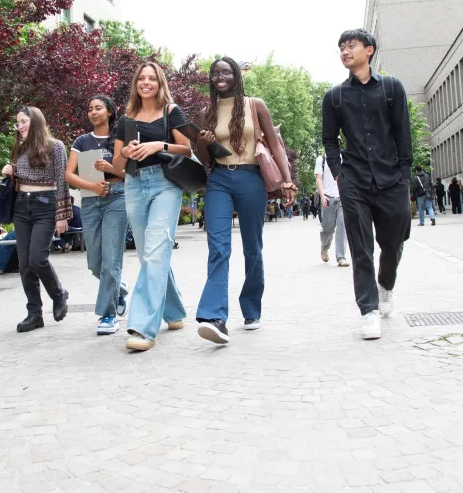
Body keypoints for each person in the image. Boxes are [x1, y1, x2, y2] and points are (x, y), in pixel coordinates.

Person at [193, 57, 296, 345]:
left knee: (253, 248)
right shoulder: (206, 112)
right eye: (215, 73)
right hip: (219, 181)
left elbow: (274, 144)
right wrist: (203, 141)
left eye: (226, 72)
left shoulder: (255, 105)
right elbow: (205, 160)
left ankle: (251, 308)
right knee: (218, 247)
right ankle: (214, 317)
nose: (220, 76)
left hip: (251, 178)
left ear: (236, 76)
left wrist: (288, 180)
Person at [322, 28, 412, 341]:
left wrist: (404, 174)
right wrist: (339, 174)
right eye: (341, 48)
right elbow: (329, 141)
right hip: (355, 182)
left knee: (393, 244)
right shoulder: (334, 97)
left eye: (351, 46)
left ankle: (386, 285)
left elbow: (403, 134)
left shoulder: (391, 88)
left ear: (369, 50)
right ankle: (368, 310)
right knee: (361, 250)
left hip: (391, 180)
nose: (345, 51)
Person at [112, 62, 192, 352]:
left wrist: (159, 145)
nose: (146, 82)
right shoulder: (126, 118)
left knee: (156, 252)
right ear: (136, 83)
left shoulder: (171, 111)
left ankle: (143, 327)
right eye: (142, 78)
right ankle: (174, 312)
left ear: (160, 83)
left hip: (165, 184)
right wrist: (124, 151)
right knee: (150, 256)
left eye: (152, 78)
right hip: (134, 184)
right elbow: (117, 165)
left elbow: (188, 148)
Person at [0, 106, 71, 333]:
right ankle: (34, 314)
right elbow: (20, 178)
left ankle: (58, 294)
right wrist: (9, 171)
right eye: (17, 122)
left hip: (45, 205)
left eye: (23, 121)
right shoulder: (20, 149)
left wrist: (62, 215)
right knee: (24, 264)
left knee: (37, 258)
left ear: (36, 121)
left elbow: (62, 180)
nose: (19, 126)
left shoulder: (56, 146)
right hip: (22, 205)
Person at [65, 94, 130, 335]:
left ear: (110, 112)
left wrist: (110, 169)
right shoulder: (82, 141)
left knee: (111, 259)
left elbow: (132, 174)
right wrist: (92, 185)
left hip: (117, 198)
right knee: (95, 263)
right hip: (91, 200)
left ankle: (108, 315)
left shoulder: (119, 140)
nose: (93, 112)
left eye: (99, 108)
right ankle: (118, 289)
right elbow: (69, 174)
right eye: (90, 108)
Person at [316, 150, 349, 266]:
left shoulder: (345, 158)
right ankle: (324, 247)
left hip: (342, 197)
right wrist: (322, 196)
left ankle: (341, 257)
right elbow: (319, 179)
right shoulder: (322, 160)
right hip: (328, 198)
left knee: (342, 226)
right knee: (328, 229)